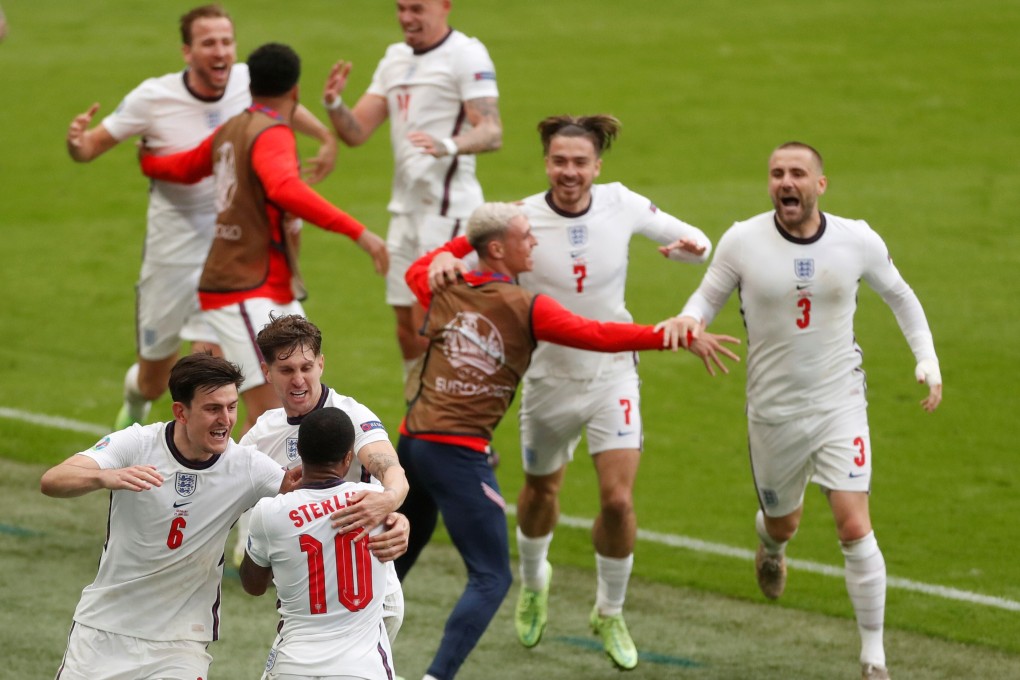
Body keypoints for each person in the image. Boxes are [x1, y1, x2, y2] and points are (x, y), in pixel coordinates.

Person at [394, 202, 738, 680]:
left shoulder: (440, 286)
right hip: (457, 454)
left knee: (395, 562)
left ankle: (345, 649)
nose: (535, 241)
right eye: (525, 236)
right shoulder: (525, 307)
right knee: (492, 578)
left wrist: (453, 251)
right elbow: (596, 334)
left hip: (410, 445)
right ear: (497, 248)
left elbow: (417, 269)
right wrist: (671, 337)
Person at [660, 142, 943, 680]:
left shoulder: (856, 238)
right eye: (776, 174)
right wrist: (687, 323)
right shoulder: (743, 240)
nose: (785, 182)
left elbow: (902, 296)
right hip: (773, 412)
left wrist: (926, 359)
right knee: (784, 521)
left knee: (854, 524)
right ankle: (769, 546)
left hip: (840, 403)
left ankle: (874, 658)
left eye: (796, 174)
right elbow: (705, 298)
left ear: (820, 184)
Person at [493, 114, 711, 670]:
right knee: (541, 493)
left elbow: (700, 244)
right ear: (546, 162)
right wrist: (446, 262)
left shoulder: (622, 203)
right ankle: (535, 581)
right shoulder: (518, 219)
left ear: (597, 166)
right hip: (547, 380)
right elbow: (466, 257)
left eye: (580, 162)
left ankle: (609, 609)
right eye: (559, 161)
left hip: (613, 373)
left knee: (618, 500)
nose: (570, 172)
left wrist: (684, 251)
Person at [65, 4, 339, 432]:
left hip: (231, 254)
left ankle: (221, 468)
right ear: (187, 51)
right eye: (209, 43)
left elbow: (281, 109)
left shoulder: (248, 81)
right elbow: (91, 147)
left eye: (227, 41)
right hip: (173, 252)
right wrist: (77, 143)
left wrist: (323, 137)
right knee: (155, 378)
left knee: (217, 365)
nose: (221, 52)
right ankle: (136, 404)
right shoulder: (153, 97)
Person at [139, 42, 389, 434]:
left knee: (299, 394)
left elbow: (186, 167)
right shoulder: (271, 133)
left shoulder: (233, 128)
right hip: (244, 284)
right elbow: (285, 188)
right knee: (273, 409)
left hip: (263, 286)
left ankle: (294, 492)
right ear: (295, 91)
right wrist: (359, 233)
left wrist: (147, 160)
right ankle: (242, 491)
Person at [40, 353, 300, 680]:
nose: (226, 419)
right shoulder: (138, 443)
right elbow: (53, 480)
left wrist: (384, 504)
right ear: (181, 411)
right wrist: (103, 477)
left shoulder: (247, 467)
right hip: (103, 631)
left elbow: (312, 498)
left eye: (232, 407)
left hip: (181, 643)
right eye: (212, 408)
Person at [320, 0, 502, 382]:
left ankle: (449, 422)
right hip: (405, 212)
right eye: (401, 8)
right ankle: (416, 407)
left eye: (417, 8)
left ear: (444, 6)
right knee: (405, 325)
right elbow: (357, 132)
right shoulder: (395, 58)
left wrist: (448, 145)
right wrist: (334, 104)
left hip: (448, 211)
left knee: (430, 321)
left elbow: (491, 130)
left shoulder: (466, 54)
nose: (406, 18)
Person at [234, 313, 410, 642]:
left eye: (306, 367)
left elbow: (390, 469)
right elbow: (223, 490)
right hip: (309, 600)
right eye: (286, 370)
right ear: (267, 373)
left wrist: (389, 500)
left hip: (368, 600)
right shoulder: (261, 435)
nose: (298, 380)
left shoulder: (351, 416)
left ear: (321, 365)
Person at [240, 407, 397, 680]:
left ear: (300, 450)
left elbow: (253, 586)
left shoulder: (269, 512)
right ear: (348, 458)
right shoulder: (377, 502)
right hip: (362, 668)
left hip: (293, 666)